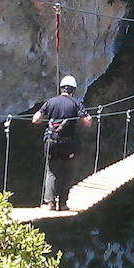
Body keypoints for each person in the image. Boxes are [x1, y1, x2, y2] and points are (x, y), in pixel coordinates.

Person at [32, 75, 92, 211]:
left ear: (61, 88)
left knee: (51, 171)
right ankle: (63, 203)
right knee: (66, 171)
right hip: (67, 143)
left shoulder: (50, 102)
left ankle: (50, 203)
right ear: (73, 90)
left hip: (51, 141)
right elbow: (88, 122)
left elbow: (35, 120)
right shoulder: (76, 103)